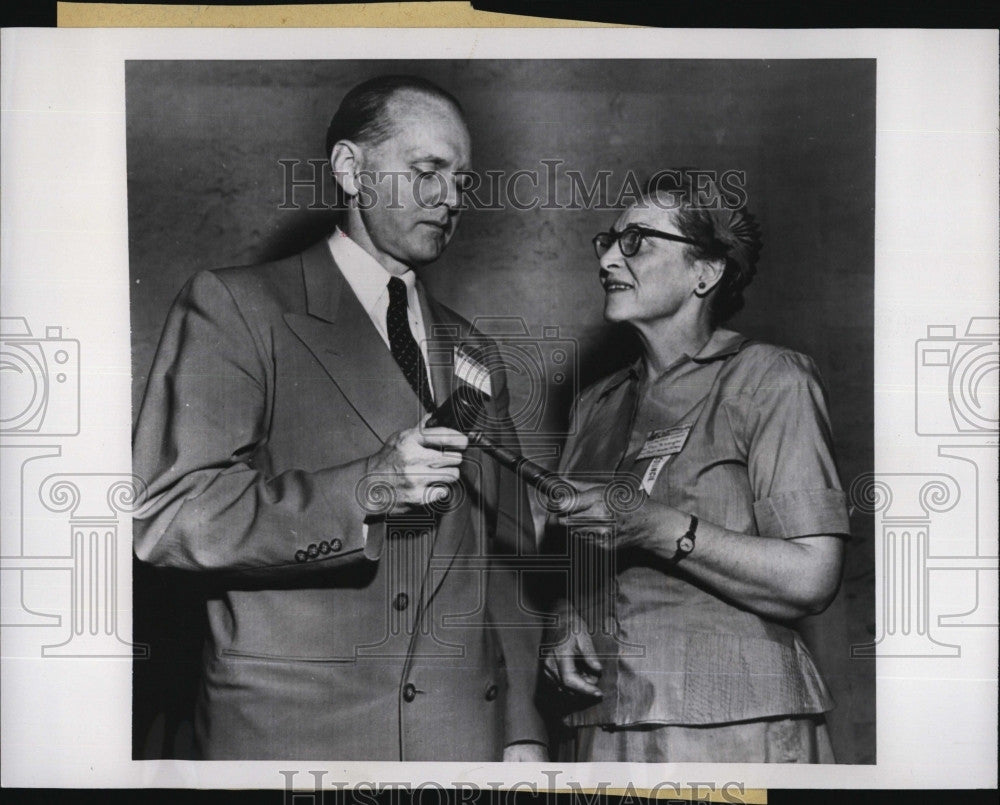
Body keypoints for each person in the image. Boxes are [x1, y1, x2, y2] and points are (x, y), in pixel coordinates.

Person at [132, 75, 547, 761]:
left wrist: (523, 725)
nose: (450, 199)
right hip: (292, 737)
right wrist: (367, 489)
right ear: (351, 169)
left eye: (462, 182)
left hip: (459, 737)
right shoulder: (236, 307)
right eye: (427, 172)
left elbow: (498, 555)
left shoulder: (474, 350)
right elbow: (170, 517)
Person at [542, 170, 849, 763]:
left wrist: (659, 528)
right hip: (602, 727)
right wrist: (562, 616)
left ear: (705, 273)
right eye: (608, 239)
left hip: (736, 728)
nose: (608, 256)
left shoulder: (770, 378)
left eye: (637, 242)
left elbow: (812, 579)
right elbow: (573, 563)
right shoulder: (595, 404)